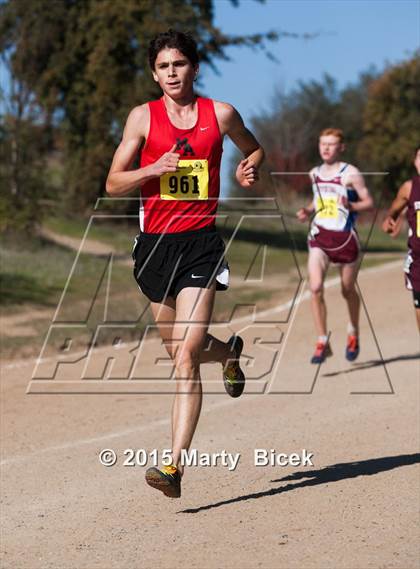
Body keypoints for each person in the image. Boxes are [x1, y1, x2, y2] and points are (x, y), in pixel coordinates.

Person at [106, 29, 264, 498]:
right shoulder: (142, 118)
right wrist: (152, 170)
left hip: (200, 245)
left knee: (187, 353)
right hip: (155, 248)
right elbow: (114, 183)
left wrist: (248, 165)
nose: (172, 73)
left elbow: (254, 147)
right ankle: (231, 354)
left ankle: (173, 467)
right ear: (154, 74)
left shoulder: (220, 114)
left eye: (179, 64)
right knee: (182, 352)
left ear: (194, 67)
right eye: (163, 67)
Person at [296, 128, 374, 364]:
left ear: (341, 148)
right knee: (316, 287)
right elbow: (317, 199)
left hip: (345, 238)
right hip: (319, 236)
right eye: (323, 144)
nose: (326, 148)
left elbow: (368, 201)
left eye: (331, 144)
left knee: (347, 289)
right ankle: (322, 340)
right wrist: (307, 210)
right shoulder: (314, 173)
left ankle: (353, 332)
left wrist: (352, 207)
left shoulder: (351, 173)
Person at [382, 146, 420, 331]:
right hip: (418, 261)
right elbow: (396, 208)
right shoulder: (409, 187)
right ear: (415, 162)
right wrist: (392, 218)